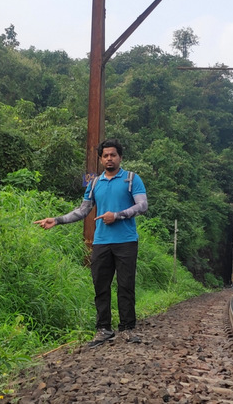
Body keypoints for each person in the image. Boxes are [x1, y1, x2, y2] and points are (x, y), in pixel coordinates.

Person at [34, 139, 148, 346]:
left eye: (113, 155)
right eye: (105, 156)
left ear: (120, 157)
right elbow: (83, 210)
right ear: (101, 159)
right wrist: (57, 220)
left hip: (126, 241)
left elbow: (142, 205)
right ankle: (104, 329)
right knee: (100, 286)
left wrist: (118, 215)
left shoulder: (131, 178)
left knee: (126, 286)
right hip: (101, 242)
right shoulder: (95, 183)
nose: (109, 159)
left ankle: (127, 329)